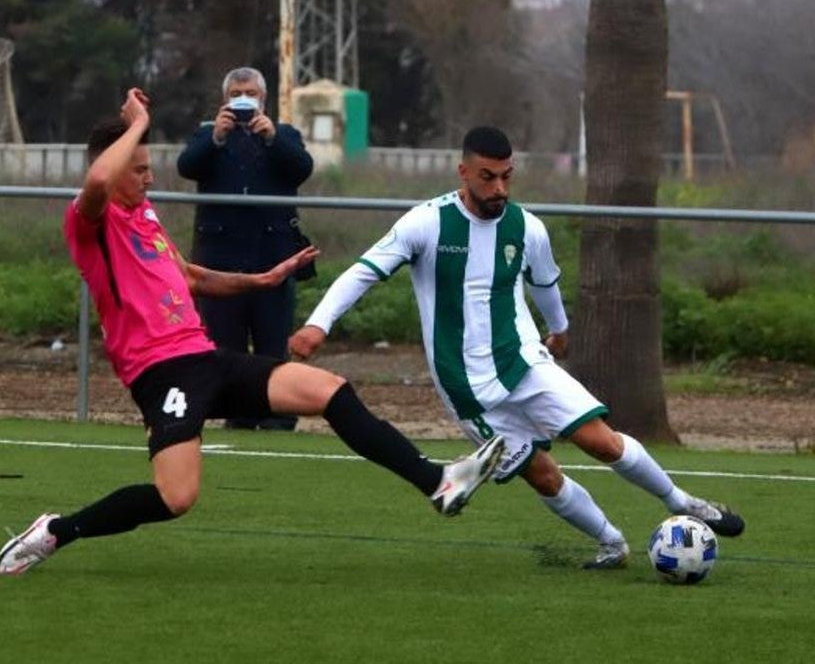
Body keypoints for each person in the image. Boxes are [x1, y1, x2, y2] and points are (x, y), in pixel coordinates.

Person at [0, 90, 504, 576]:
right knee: (176, 498)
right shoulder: (90, 220)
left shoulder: (144, 216)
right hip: (160, 372)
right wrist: (140, 122)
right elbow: (101, 180)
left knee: (328, 390)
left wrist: (262, 280)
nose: (150, 179)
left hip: (205, 356)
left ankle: (437, 482)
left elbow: (189, 276)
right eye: (141, 170)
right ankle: (59, 530)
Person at [289, 126, 744, 570]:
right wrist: (318, 324)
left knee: (600, 442)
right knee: (542, 474)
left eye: (507, 176)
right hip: (465, 386)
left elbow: (544, 284)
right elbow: (363, 272)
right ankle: (611, 543)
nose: (500, 187)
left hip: (524, 361)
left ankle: (683, 502)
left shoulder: (527, 228)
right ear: (463, 172)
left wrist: (560, 328)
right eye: (488, 177)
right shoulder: (426, 223)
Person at [177, 66, 311, 431]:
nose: (244, 99)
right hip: (220, 259)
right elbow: (186, 166)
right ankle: (237, 416)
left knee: (272, 345)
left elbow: (302, 169)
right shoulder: (208, 135)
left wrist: (272, 139)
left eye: (251, 93)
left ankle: (277, 418)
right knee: (226, 347)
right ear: (224, 99)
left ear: (263, 99)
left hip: (272, 255)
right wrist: (216, 137)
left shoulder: (285, 134)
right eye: (237, 92)